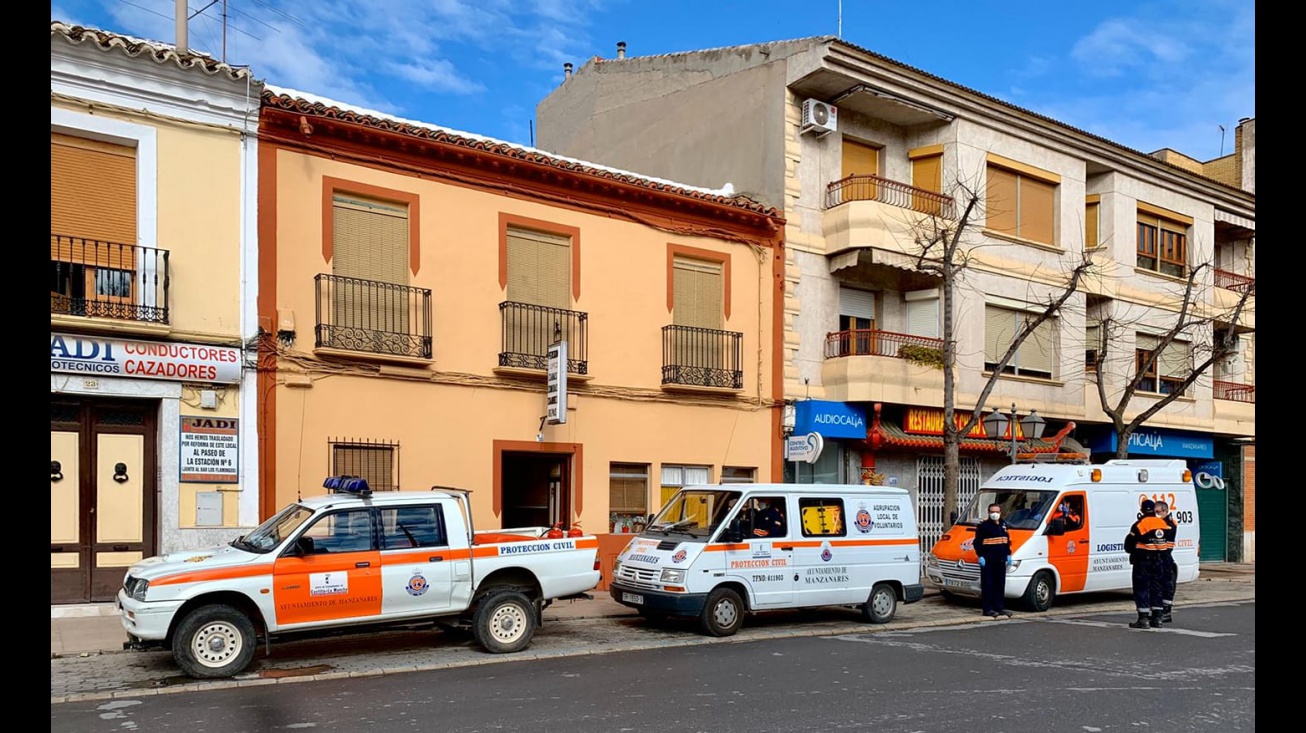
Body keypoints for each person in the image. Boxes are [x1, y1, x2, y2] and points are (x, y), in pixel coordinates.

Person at [1124, 499, 1168, 629]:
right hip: (1159, 560)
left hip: (1143, 560)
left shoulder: (1140, 524)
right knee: (1157, 588)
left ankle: (1143, 619)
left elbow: (1129, 544)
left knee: (1141, 588)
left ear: (1142, 510)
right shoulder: (1163, 523)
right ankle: (1157, 618)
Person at [974, 503, 1014, 618]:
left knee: (999, 584)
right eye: (992, 512)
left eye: (996, 511)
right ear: (989, 513)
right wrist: (980, 556)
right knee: (988, 585)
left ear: (1000, 512)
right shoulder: (984, 526)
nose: (994, 514)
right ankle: (987, 609)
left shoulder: (1003, 524)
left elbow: (1006, 541)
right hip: (988, 560)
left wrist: (1008, 554)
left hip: (1000, 560)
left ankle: (999, 607)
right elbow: (977, 542)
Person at [1155, 500, 1178, 623]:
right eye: (1155, 512)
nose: (1157, 514)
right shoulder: (1160, 522)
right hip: (1160, 556)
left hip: (1165, 557)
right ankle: (1160, 611)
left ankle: (1166, 612)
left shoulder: (1169, 523)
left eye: (1158, 512)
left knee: (1166, 585)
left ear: (1165, 511)